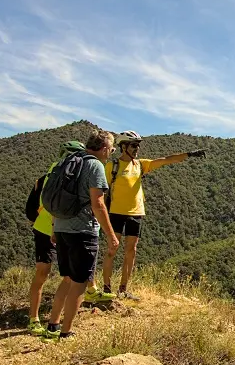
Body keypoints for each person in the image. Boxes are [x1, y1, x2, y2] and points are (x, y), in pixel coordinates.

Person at [101, 130, 206, 300]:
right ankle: (106, 289)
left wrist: (188, 155)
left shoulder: (140, 165)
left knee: (131, 250)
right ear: (124, 146)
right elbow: (103, 191)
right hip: (115, 213)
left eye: (138, 145)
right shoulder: (112, 167)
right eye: (134, 145)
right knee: (112, 250)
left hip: (136, 213)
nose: (137, 149)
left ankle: (123, 288)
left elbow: (165, 160)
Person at [26, 141, 116, 336]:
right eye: (112, 148)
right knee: (78, 283)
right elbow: (98, 204)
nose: (111, 152)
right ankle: (66, 332)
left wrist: (54, 228)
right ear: (104, 148)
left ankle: (51, 326)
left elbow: (52, 202)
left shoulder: (59, 167)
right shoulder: (93, 165)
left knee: (67, 279)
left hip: (59, 228)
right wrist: (111, 236)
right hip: (80, 230)